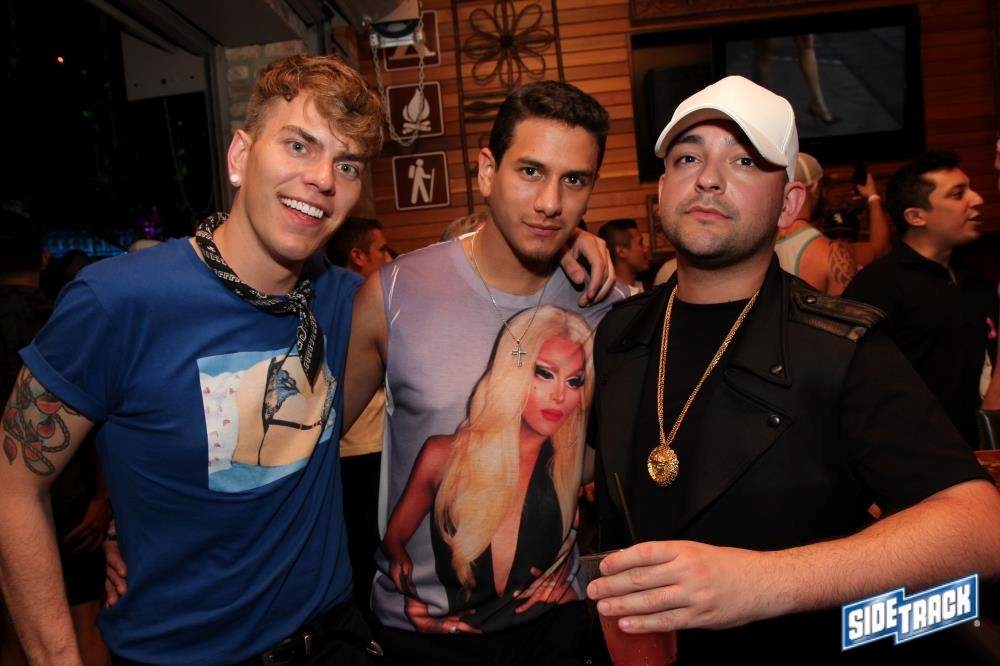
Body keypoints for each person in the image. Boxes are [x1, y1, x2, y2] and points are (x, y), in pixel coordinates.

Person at [586, 76, 1000, 662]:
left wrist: (762, 582)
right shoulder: (618, 333)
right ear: (662, 190)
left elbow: (983, 527)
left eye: (744, 161)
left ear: (788, 204)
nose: (708, 178)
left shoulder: (842, 347)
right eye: (687, 158)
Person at [0, 55, 386, 664]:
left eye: (347, 165)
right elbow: (13, 485)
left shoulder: (349, 303)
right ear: (240, 156)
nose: (322, 178)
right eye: (298, 145)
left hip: (332, 639)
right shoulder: (119, 301)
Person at [345, 80, 624, 665]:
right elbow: (308, 453)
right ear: (486, 171)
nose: (550, 202)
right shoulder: (394, 294)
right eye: (530, 171)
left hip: (558, 629)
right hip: (422, 640)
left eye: (574, 180)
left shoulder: (609, 307)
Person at [844, 151, 998, 448]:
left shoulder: (976, 280)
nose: (977, 199)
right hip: (910, 455)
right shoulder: (878, 286)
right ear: (916, 216)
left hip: (974, 450)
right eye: (958, 194)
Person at [327, 216, 392, 629]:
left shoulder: (320, 294)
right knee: (372, 557)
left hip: (338, 452)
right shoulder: (360, 295)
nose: (389, 257)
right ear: (358, 256)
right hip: (366, 450)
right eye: (381, 249)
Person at [775, 152, 891, 295]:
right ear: (815, 187)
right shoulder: (829, 253)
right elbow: (879, 249)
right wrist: (873, 197)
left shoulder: (760, 240)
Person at [597, 219, 650, 295]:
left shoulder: (647, 289)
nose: (646, 249)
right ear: (621, 252)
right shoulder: (612, 297)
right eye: (640, 243)